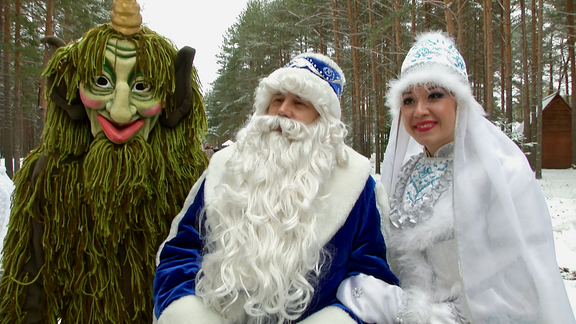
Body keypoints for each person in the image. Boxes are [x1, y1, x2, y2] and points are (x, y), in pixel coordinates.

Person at [338, 31, 576, 323]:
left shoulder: (500, 176)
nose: (420, 110)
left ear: (460, 101)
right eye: (409, 100)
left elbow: (519, 293)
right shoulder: (402, 172)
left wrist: (406, 310)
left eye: (435, 95)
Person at [153, 52, 401, 324]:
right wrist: (190, 316)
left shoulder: (356, 183)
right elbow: (180, 253)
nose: (283, 110)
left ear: (323, 120)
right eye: (278, 100)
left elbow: (371, 278)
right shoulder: (226, 167)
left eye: (299, 103)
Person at [0, 0, 208, 323]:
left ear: (171, 98)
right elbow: (28, 292)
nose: (120, 111)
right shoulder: (49, 176)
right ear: (70, 90)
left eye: (142, 87)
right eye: (101, 82)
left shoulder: (192, 179)